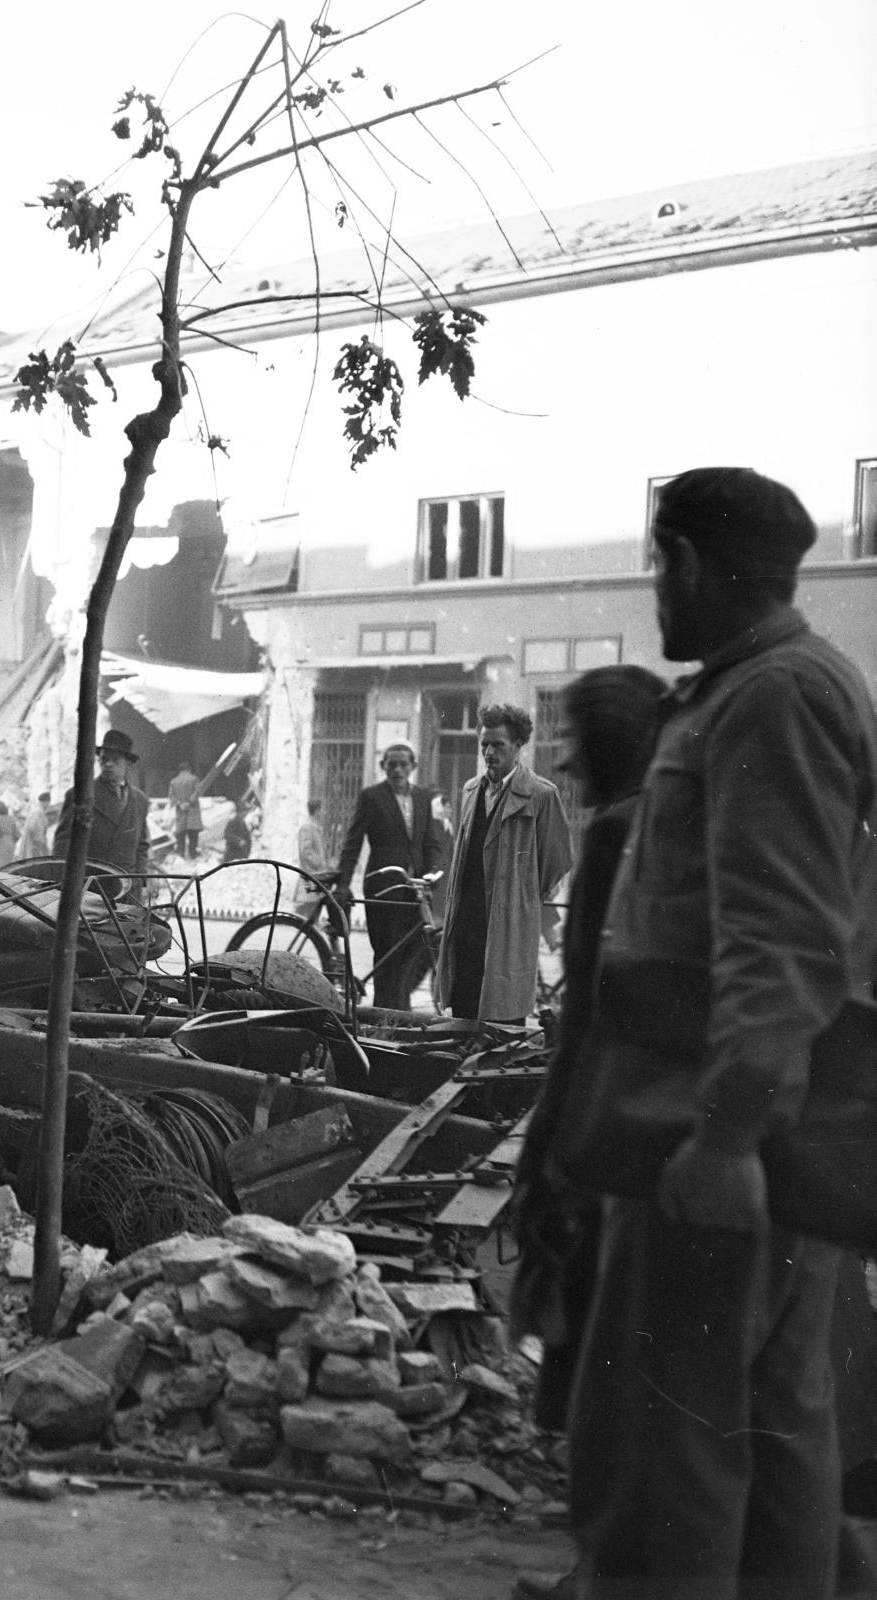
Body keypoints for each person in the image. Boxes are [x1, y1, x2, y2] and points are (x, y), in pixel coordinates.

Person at [552, 468, 877, 1598]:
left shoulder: (771, 699)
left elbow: (781, 938)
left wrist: (728, 1135)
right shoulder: (774, 686)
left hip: (714, 1132)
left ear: (685, 561)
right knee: (779, 1429)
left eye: (655, 562)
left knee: (672, 1446)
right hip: (740, 1125)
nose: (654, 586)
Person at [506, 665, 666, 1600]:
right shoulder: (680, 825)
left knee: (600, 1353)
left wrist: (544, 1150)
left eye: (575, 743)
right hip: (663, 1130)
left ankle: (602, 1569)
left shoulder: (615, 833)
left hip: (609, 1121)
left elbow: (588, 1018)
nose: (564, 761)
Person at [437, 704, 571, 1023]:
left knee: (502, 1020)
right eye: (484, 744)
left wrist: (520, 895)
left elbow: (556, 862)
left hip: (507, 927)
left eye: (498, 744)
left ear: (518, 746)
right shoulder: (471, 790)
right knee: (463, 1015)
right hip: (467, 924)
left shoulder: (540, 795)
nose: (488, 752)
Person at [334, 743, 446, 1012]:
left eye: (403, 764)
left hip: (415, 890)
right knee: (386, 955)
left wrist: (431, 873)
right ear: (383, 766)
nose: (397, 770)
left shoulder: (423, 797)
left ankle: (400, 1014)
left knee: (411, 957)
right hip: (383, 886)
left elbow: (430, 842)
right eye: (391, 764)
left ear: (413, 767)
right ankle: (384, 1020)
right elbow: (353, 842)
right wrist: (343, 883)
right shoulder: (371, 797)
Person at [53, 727, 151, 883]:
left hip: (129, 888)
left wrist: (142, 880)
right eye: (104, 759)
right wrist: (62, 884)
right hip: (91, 887)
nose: (108, 764)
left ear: (128, 764)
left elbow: (142, 845)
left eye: (115, 759)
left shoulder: (140, 800)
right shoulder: (80, 795)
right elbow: (63, 845)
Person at [167, 760, 203, 857]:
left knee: (181, 833)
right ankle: (193, 853)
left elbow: (171, 796)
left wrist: (180, 804)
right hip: (192, 810)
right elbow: (198, 791)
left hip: (180, 811)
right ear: (189, 769)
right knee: (193, 833)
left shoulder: (173, 781)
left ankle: (181, 853)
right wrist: (189, 802)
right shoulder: (194, 779)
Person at [17, 789, 53, 860]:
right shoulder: (39, 813)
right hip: (35, 845)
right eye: (48, 802)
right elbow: (37, 831)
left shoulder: (35, 811)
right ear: (46, 802)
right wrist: (42, 845)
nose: (49, 804)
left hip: (32, 843)